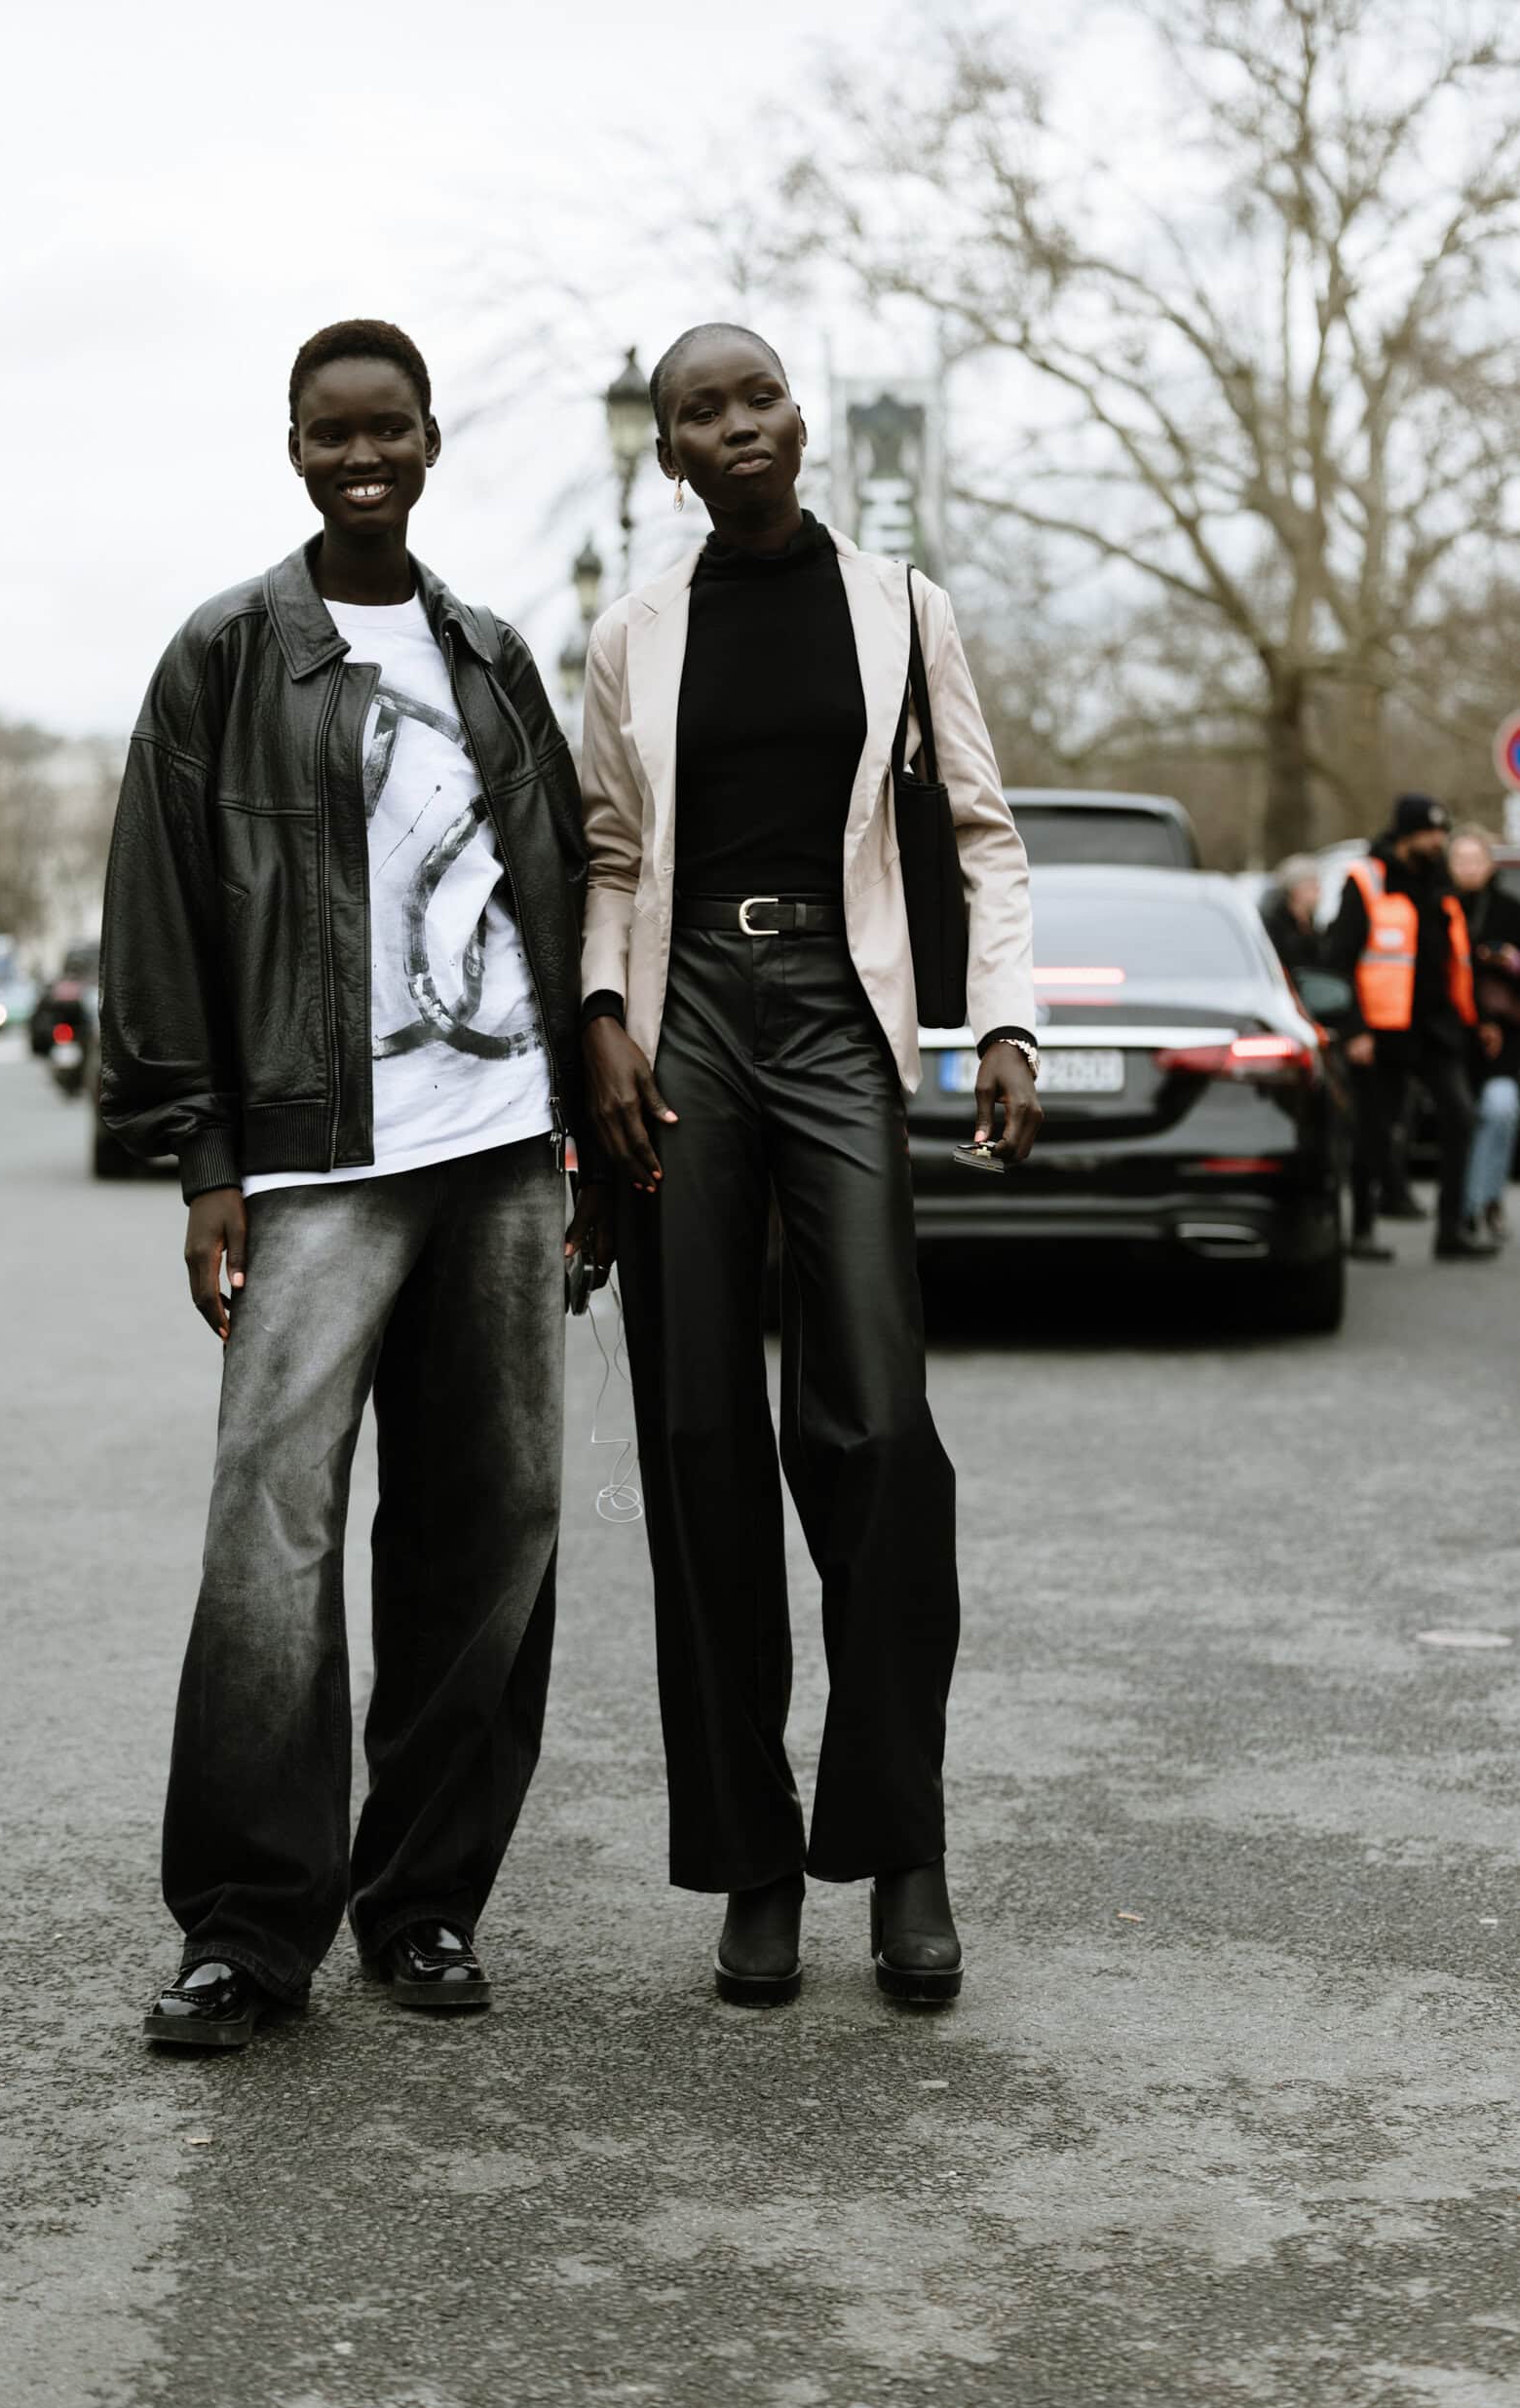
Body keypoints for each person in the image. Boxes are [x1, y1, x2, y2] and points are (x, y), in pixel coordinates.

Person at [100, 319, 600, 2048]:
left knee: (490, 1529)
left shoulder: (487, 654)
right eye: (331, 431)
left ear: (430, 441)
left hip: (502, 1152)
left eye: (387, 428)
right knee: (271, 1533)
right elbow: (159, 907)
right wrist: (204, 1155)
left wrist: (586, 1144)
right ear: (295, 446)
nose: (360, 453)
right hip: (318, 1159)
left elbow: (559, 898)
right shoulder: (227, 654)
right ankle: (248, 1929)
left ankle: (427, 1900)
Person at [576, 323, 1041, 2010]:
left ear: (798, 416)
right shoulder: (631, 634)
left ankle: (901, 1846)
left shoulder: (904, 607)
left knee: (874, 1426)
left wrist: (1002, 1024)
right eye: (698, 410)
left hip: (843, 1018)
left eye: (754, 394)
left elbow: (979, 830)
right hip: (686, 1010)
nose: (734, 423)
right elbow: (611, 850)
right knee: (695, 1429)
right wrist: (602, 1015)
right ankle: (754, 1861)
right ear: (671, 452)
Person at [1325, 792, 1494, 1263]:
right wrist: (1354, 1029)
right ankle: (1360, 1229)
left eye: (1442, 832)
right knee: (1373, 1131)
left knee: (1459, 1118)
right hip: (1381, 1031)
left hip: (1437, 1028)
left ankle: (1451, 1230)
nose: (1438, 840)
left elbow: (1455, 959)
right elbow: (1338, 962)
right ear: (1406, 834)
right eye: (1430, 833)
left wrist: (1473, 1020)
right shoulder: (1368, 880)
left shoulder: (1440, 883)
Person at [1448, 825, 1520, 1244]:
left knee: (1500, 1110)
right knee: (1462, 1119)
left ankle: (1484, 1201)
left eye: (1476, 860)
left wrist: (1509, 962)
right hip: (1456, 1036)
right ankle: (1463, 1207)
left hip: (1504, 1039)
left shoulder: (1511, 911)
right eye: (1461, 860)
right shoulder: (1442, 908)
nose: (1469, 869)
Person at [1261, 855, 1323, 974]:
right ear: (1296, 890)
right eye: (1312, 886)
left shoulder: (1310, 923)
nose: (1318, 890)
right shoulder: (1275, 927)